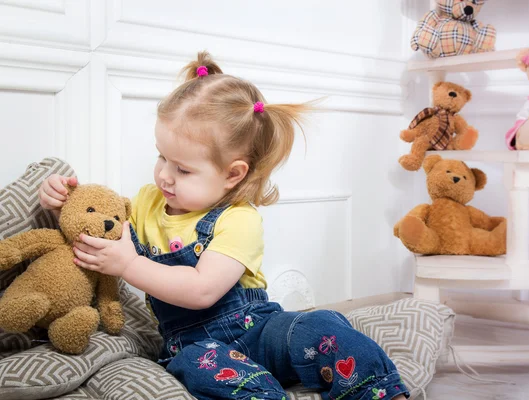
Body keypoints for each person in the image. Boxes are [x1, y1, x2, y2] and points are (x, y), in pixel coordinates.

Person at [39, 51, 410, 400]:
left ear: (233, 174)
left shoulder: (239, 220)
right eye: (161, 157)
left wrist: (130, 265)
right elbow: (99, 226)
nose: (165, 176)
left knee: (322, 329)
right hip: (193, 345)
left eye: (183, 169)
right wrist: (62, 201)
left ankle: (376, 390)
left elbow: (202, 291)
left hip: (262, 331)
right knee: (199, 369)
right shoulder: (147, 203)